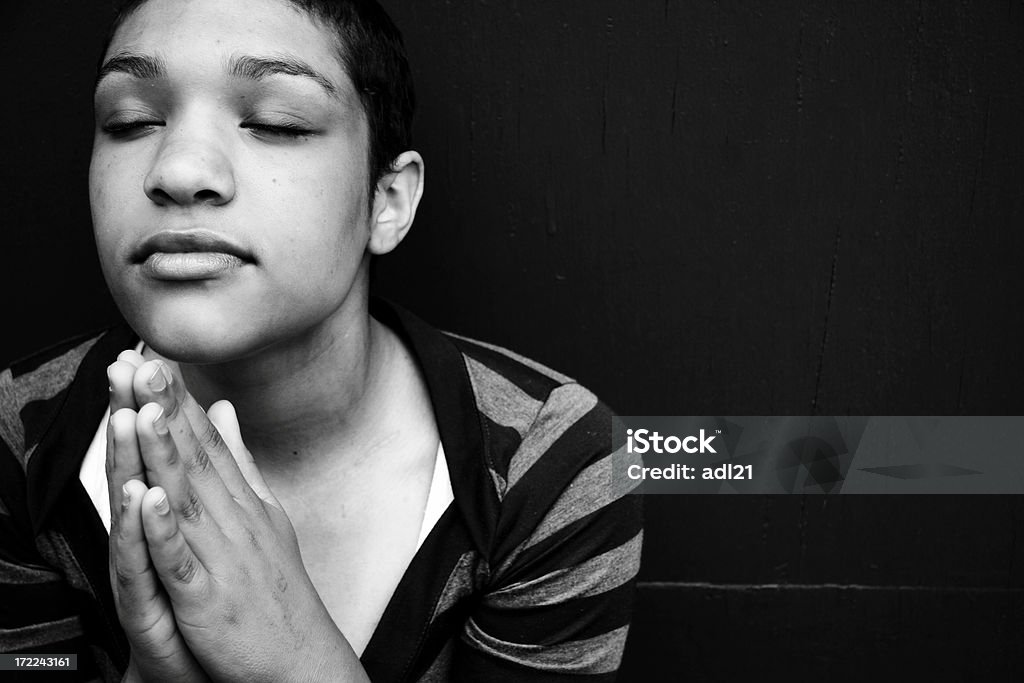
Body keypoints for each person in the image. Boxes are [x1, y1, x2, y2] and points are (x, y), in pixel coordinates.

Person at [0, 0, 643, 680]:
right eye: (129, 120)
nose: (179, 170)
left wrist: (299, 658)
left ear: (388, 200)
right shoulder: (18, 441)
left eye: (276, 122)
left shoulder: (549, 466)